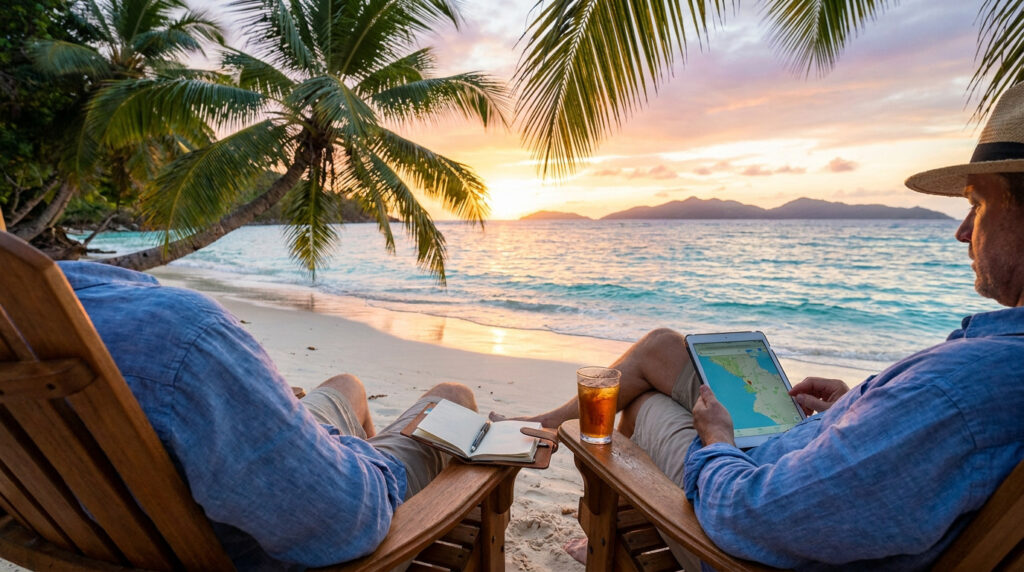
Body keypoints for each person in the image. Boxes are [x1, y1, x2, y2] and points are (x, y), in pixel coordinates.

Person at [529, 83, 1024, 571]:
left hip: (730, 542)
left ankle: (606, 537)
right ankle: (552, 434)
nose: (963, 231)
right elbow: (896, 464)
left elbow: (752, 516)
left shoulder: (953, 395)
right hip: (792, 465)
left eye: (977, 204)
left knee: (643, 402)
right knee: (662, 348)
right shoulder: (989, 368)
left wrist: (719, 442)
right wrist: (852, 409)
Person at [56, 259, 474, 570]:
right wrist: (340, 452)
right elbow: (344, 522)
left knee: (348, 386)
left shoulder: (22, 332)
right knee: (452, 396)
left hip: (107, 539)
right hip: (268, 551)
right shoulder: (183, 334)